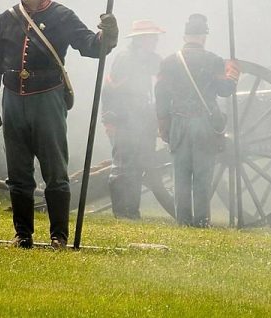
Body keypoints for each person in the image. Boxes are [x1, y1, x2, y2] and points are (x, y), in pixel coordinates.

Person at [0, 0, 118, 248]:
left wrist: (108, 35)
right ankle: (23, 234)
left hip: (48, 98)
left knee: (55, 172)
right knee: (18, 173)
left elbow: (92, 47)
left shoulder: (62, 16)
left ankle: (59, 236)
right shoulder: (7, 18)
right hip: (14, 99)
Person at [155, 14, 239, 227]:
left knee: (180, 175)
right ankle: (201, 221)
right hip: (204, 125)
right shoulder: (214, 61)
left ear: (185, 36)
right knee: (203, 175)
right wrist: (232, 74)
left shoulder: (169, 62)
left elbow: (161, 96)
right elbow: (224, 91)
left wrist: (163, 125)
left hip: (178, 123)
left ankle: (183, 221)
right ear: (203, 37)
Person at [102, 19, 165, 219]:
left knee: (137, 167)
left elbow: (164, 74)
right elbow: (109, 91)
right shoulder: (125, 59)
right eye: (151, 38)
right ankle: (122, 212)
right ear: (141, 39)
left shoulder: (150, 59)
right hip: (124, 121)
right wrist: (110, 121)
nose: (155, 41)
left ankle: (132, 211)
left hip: (142, 121)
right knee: (122, 168)